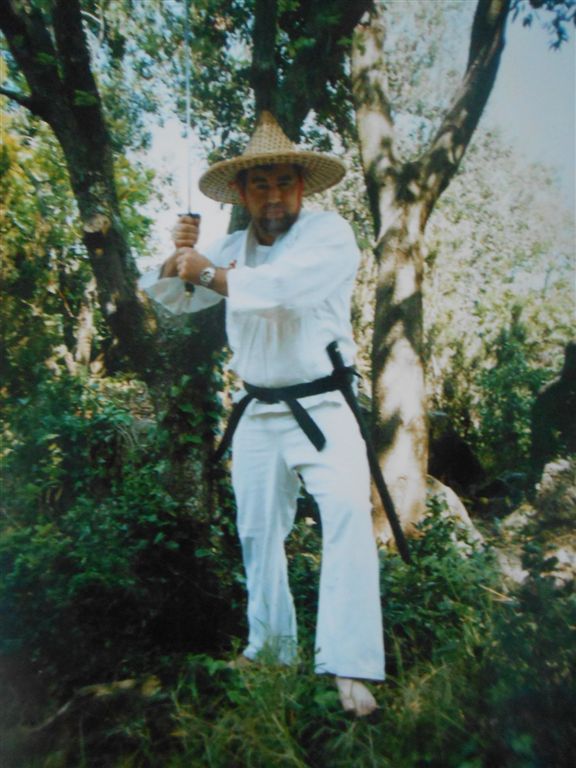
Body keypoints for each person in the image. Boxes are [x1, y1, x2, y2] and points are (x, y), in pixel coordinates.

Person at [140, 111, 385, 717]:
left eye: (283, 183)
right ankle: (271, 648)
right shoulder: (229, 248)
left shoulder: (329, 235)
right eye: (260, 185)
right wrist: (178, 257)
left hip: (325, 405)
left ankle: (351, 667)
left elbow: (281, 291)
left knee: (347, 517)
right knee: (256, 531)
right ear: (242, 193)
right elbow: (175, 299)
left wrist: (205, 271)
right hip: (257, 410)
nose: (273, 196)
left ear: (301, 187)